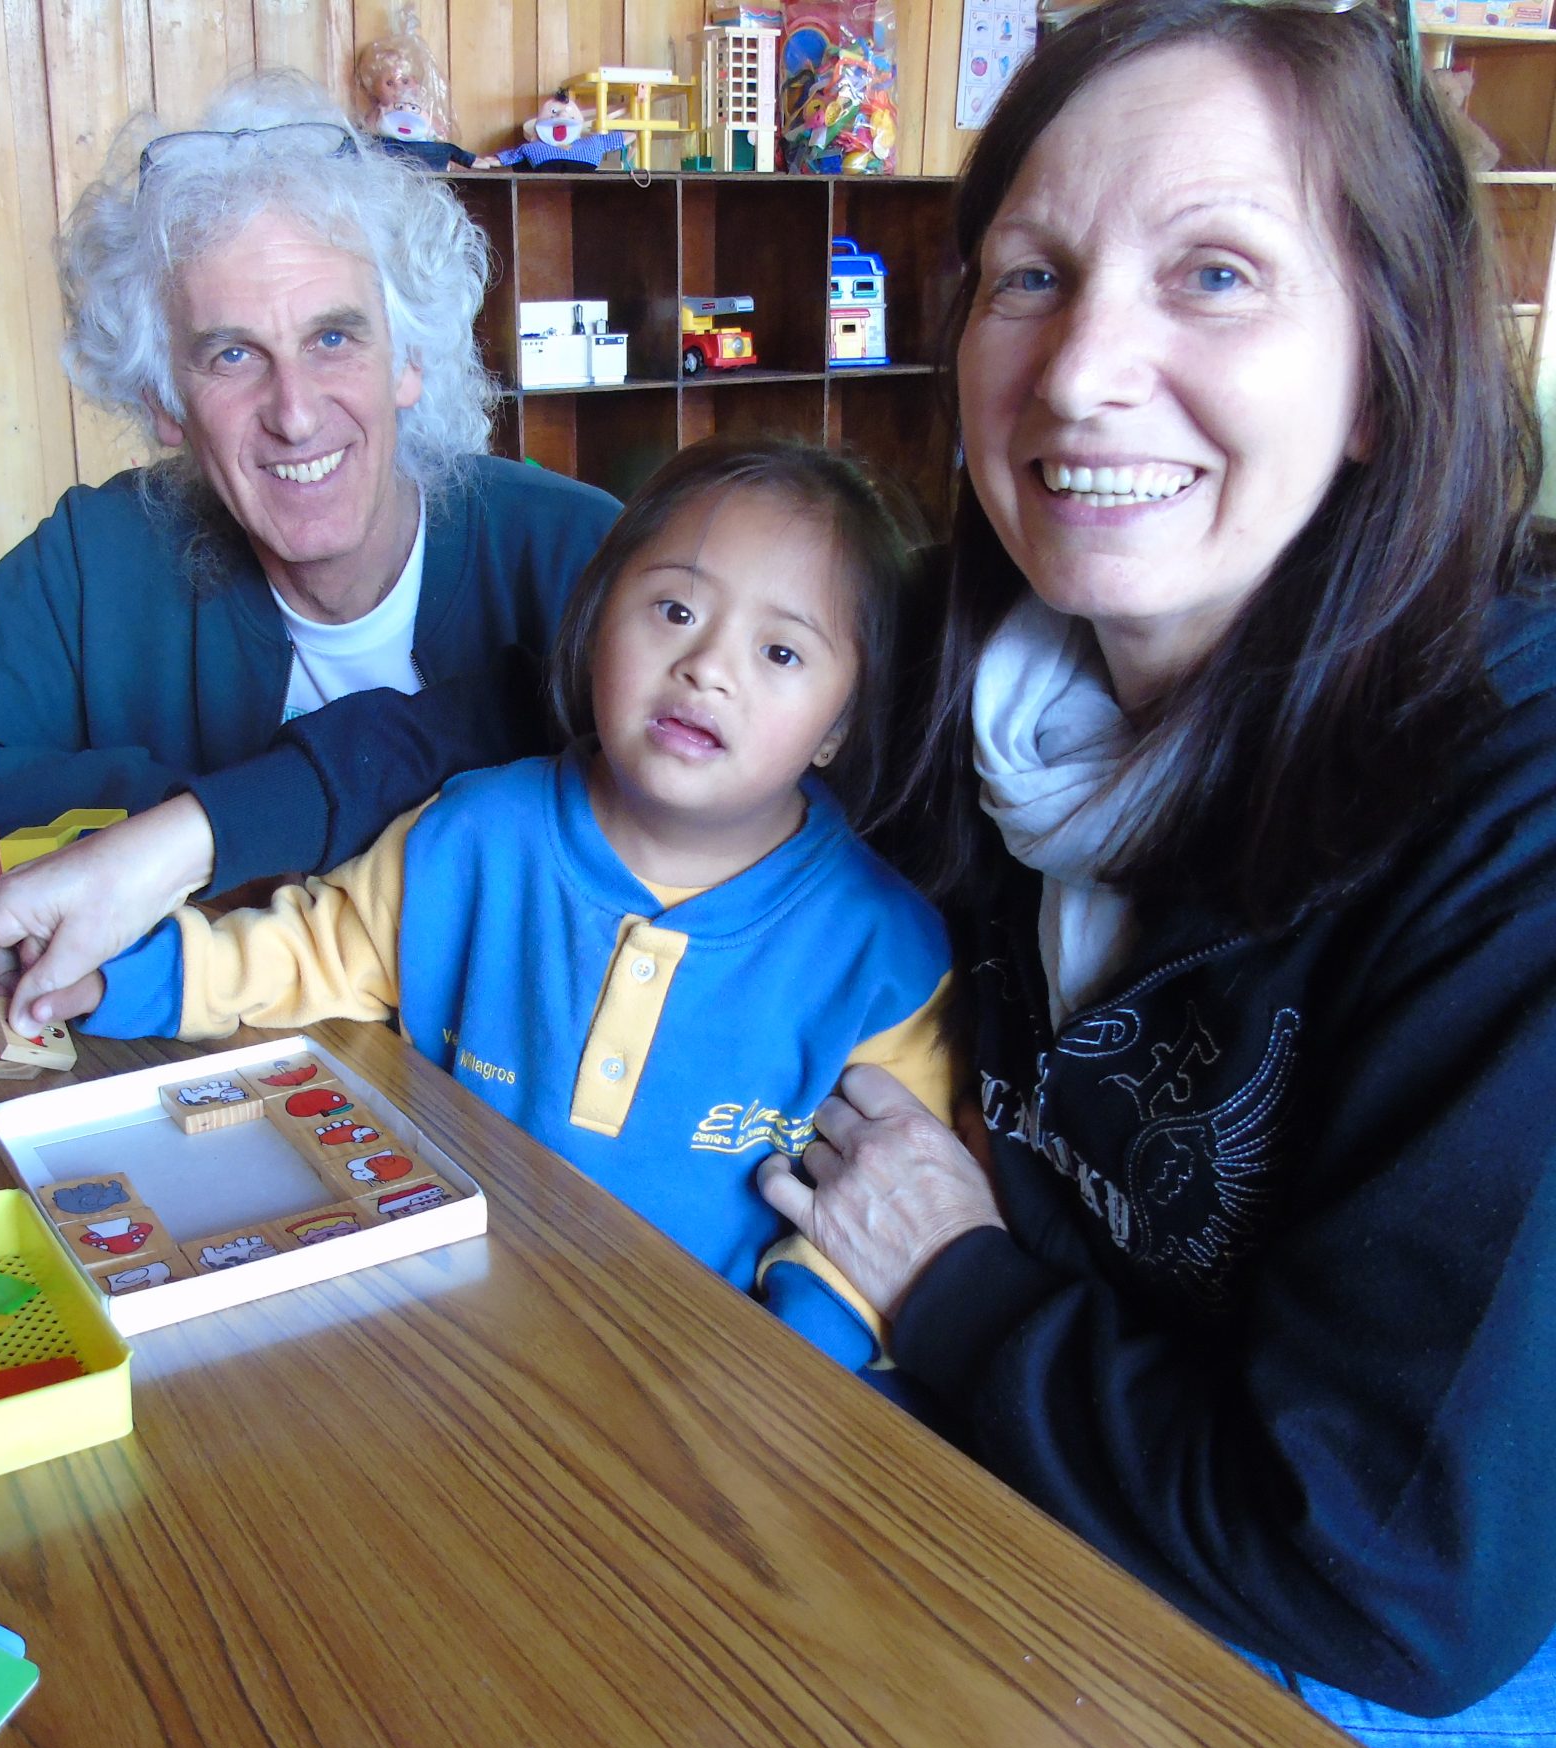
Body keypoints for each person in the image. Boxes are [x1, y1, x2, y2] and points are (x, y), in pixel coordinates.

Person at [750, 3, 1556, 1748]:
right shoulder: (1003, 671)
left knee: (852, 1735)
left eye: (1218, 275)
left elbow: (1394, 1579)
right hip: (1189, 1426)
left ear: (1387, 369)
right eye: (1032, 276)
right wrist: (178, 849)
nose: (1085, 370)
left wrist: (959, 1286)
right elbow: (607, 663)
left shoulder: (1554, 827)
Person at [76, 440, 952, 1344]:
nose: (708, 667)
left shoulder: (885, 955)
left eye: (779, 650)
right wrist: (116, 977)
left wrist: (799, 1369)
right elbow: (302, 952)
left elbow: (873, 1225)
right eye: (675, 608)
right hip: (456, 1345)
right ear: (597, 619)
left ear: (838, 726)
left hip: (718, 1393)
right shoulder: (468, 835)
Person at [0, 73, 618, 956]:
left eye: (334, 337)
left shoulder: (580, 553)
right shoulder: (106, 559)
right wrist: (167, 807)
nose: (295, 411)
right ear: (165, 401)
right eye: (232, 354)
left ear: (409, 360)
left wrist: (226, 813)